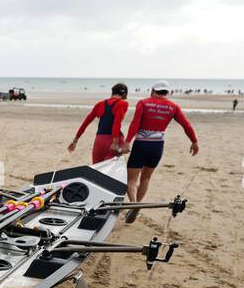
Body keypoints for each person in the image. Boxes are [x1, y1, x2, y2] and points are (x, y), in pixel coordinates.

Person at [121, 80, 198, 213]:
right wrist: (194, 141)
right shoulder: (173, 106)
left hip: (141, 144)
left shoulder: (143, 103)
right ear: (167, 92)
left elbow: (135, 124)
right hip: (157, 146)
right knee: (146, 178)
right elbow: (186, 125)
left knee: (131, 179)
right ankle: (137, 205)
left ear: (152, 90)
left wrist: (128, 141)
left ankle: (133, 204)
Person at [68, 82, 128, 163]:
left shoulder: (99, 104)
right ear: (124, 94)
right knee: (112, 172)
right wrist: (115, 142)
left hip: (99, 140)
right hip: (113, 141)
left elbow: (85, 123)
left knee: (97, 171)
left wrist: (75, 141)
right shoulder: (123, 103)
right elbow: (116, 123)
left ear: (112, 92)